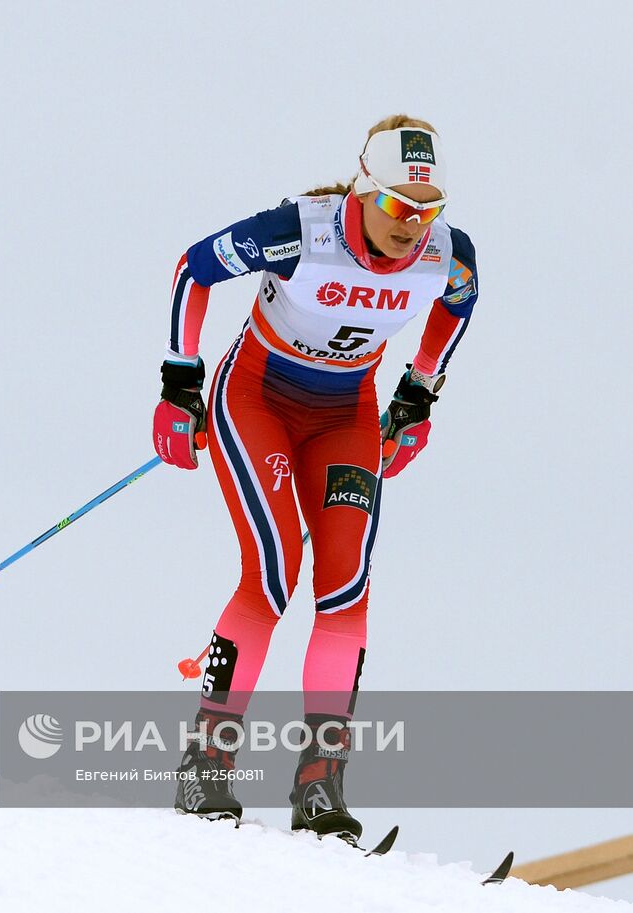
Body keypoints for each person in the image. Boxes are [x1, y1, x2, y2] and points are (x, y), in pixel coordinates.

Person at [154, 115, 478, 840]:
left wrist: (418, 391)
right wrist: (180, 380)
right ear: (365, 190)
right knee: (273, 575)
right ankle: (207, 763)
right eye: (396, 206)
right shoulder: (301, 231)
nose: (411, 225)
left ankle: (318, 783)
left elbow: (459, 306)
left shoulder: (448, 255)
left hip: (347, 416)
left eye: (426, 209)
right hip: (257, 399)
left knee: (344, 587)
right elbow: (192, 269)